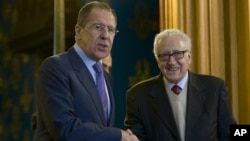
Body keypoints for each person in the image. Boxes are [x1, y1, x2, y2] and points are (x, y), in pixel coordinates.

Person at [34, 1, 138, 141]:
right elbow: (65, 128)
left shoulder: (106, 77)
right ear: (79, 31)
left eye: (111, 29)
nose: (105, 35)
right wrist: (119, 135)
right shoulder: (55, 68)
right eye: (98, 27)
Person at [124, 29, 236, 141]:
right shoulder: (137, 96)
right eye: (164, 55)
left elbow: (230, 132)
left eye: (178, 54)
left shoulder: (215, 88)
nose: (171, 62)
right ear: (158, 61)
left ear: (189, 57)